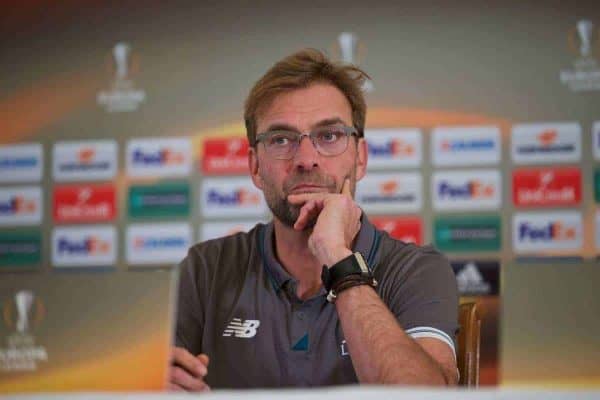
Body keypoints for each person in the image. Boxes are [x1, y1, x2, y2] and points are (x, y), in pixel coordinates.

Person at [169, 49, 458, 391]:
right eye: (280, 139)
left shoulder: (416, 269)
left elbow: (424, 396)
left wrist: (337, 257)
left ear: (360, 159)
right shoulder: (206, 268)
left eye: (329, 136)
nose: (306, 159)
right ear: (255, 167)